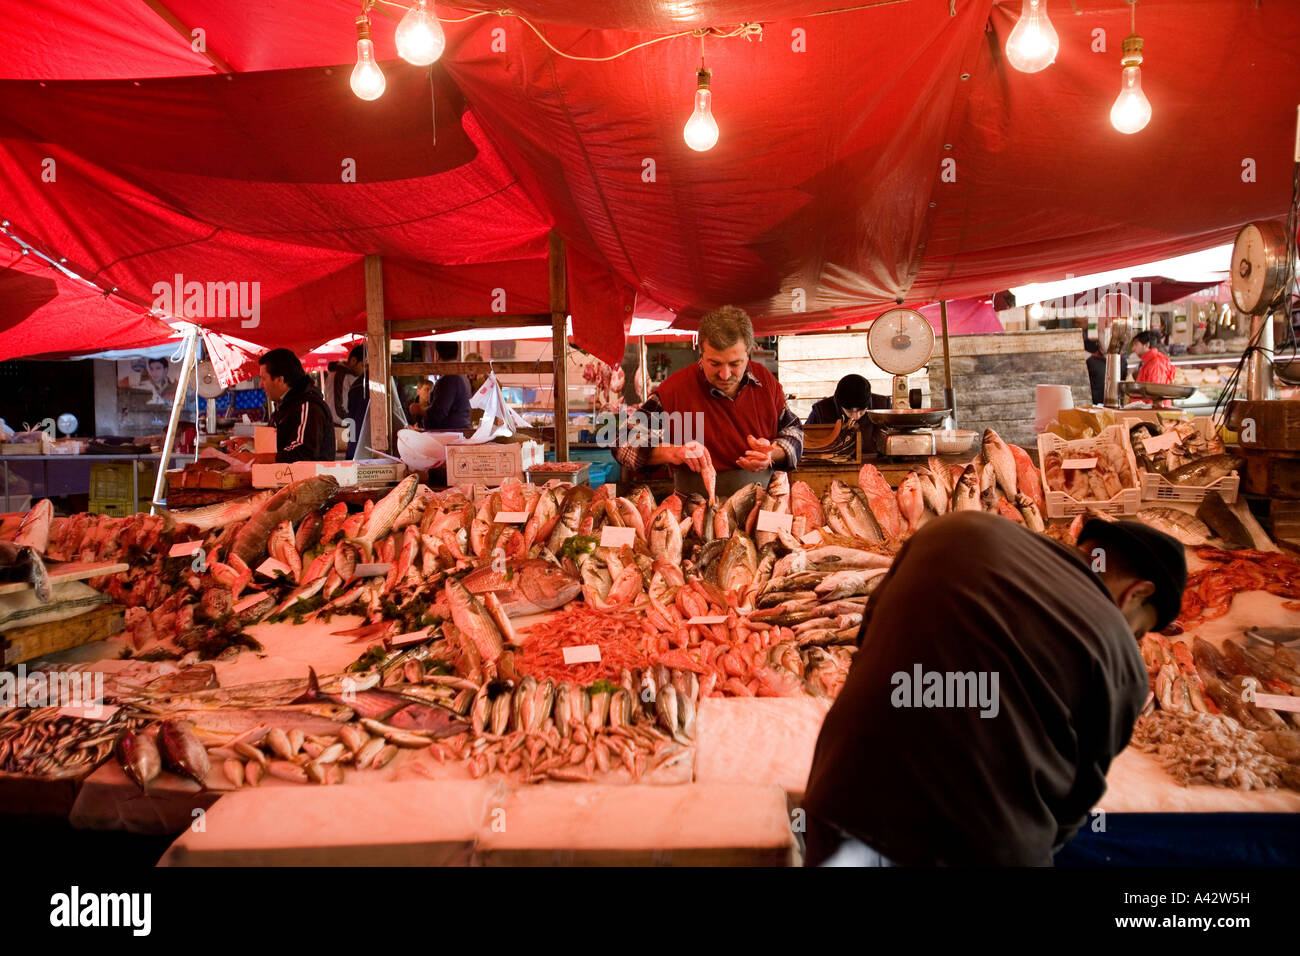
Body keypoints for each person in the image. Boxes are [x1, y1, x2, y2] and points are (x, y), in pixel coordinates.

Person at [802, 512, 1186, 867]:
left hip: (846, 809)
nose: (1130, 638)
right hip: (982, 850)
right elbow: (1073, 801)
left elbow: (867, 641)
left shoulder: (954, 529)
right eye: (1138, 629)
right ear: (1138, 592)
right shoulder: (1120, 658)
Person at [614, 305, 803, 499]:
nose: (725, 374)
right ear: (701, 354)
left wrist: (772, 452)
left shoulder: (766, 383)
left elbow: (794, 431)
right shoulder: (675, 390)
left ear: (748, 353)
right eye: (715, 364)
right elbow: (622, 444)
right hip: (693, 507)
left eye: (735, 364)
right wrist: (673, 451)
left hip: (761, 505)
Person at [258, 348, 335, 463]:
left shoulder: (308, 406)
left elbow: (302, 453)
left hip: (311, 481)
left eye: (264, 379)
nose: (260, 385)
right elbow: (278, 443)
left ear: (280, 380)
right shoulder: (283, 406)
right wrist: (247, 443)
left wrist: (255, 458)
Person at [423, 341, 472, 431]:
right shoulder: (461, 376)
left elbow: (438, 413)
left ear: (437, 355)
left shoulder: (449, 378)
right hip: (460, 432)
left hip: (449, 435)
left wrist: (420, 410)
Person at [1131, 330, 1177, 407]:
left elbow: (1156, 392)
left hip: (1155, 412)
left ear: (1146, 345)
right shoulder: (1148, 361)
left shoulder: (1156, 362)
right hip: (1148, 410)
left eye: (1136, 344)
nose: (1133, 348)